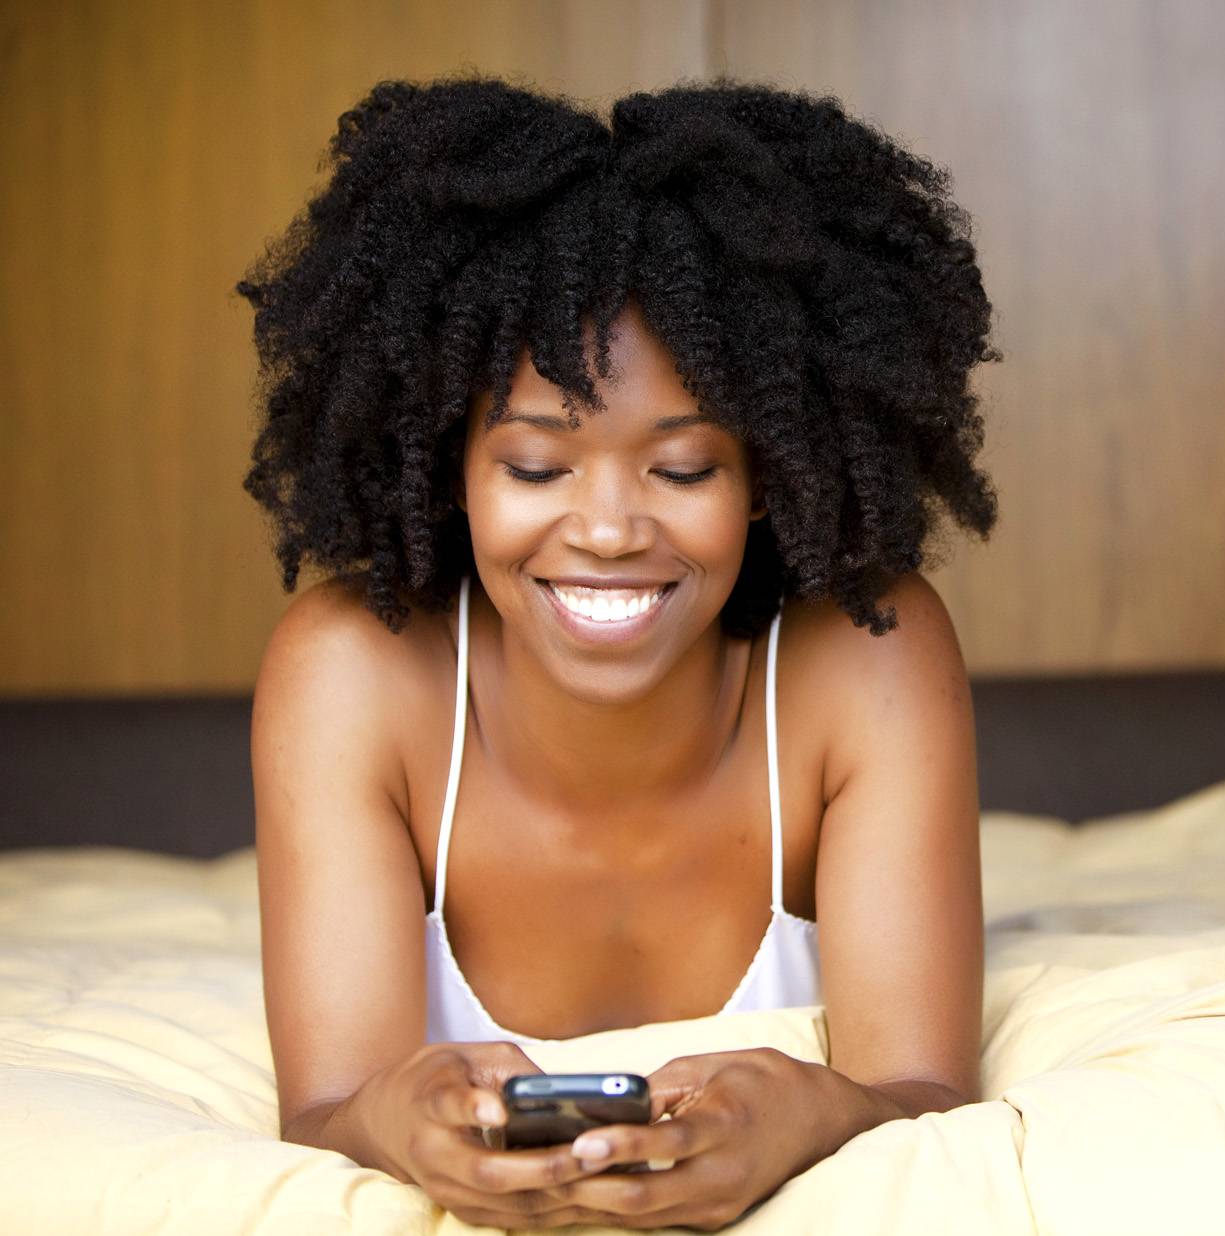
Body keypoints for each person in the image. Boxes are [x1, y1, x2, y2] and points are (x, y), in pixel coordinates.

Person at [239, 73, 998, 1231]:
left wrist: (802, 1114)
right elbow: (332, 1105)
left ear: (770, 475)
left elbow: (925, 1092)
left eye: (684, 468)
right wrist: (403, 1123)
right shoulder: (353, 674)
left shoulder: (866, 659)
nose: (605, 529)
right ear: (447, 461)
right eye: (537, 467)